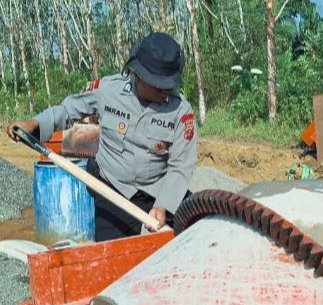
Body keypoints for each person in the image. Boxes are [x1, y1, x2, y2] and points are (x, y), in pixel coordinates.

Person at [7, 32, 197, 242]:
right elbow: (68, 110)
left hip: (157, 190)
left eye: (171, 84)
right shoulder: (108, 90)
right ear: (139, 76)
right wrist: (33, 124)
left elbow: (180, 166)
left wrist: (164, 205)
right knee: (112, 257)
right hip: (114, 190)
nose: (167, 90)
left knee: (193, 235)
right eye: (160, 85)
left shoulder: (181, 112)